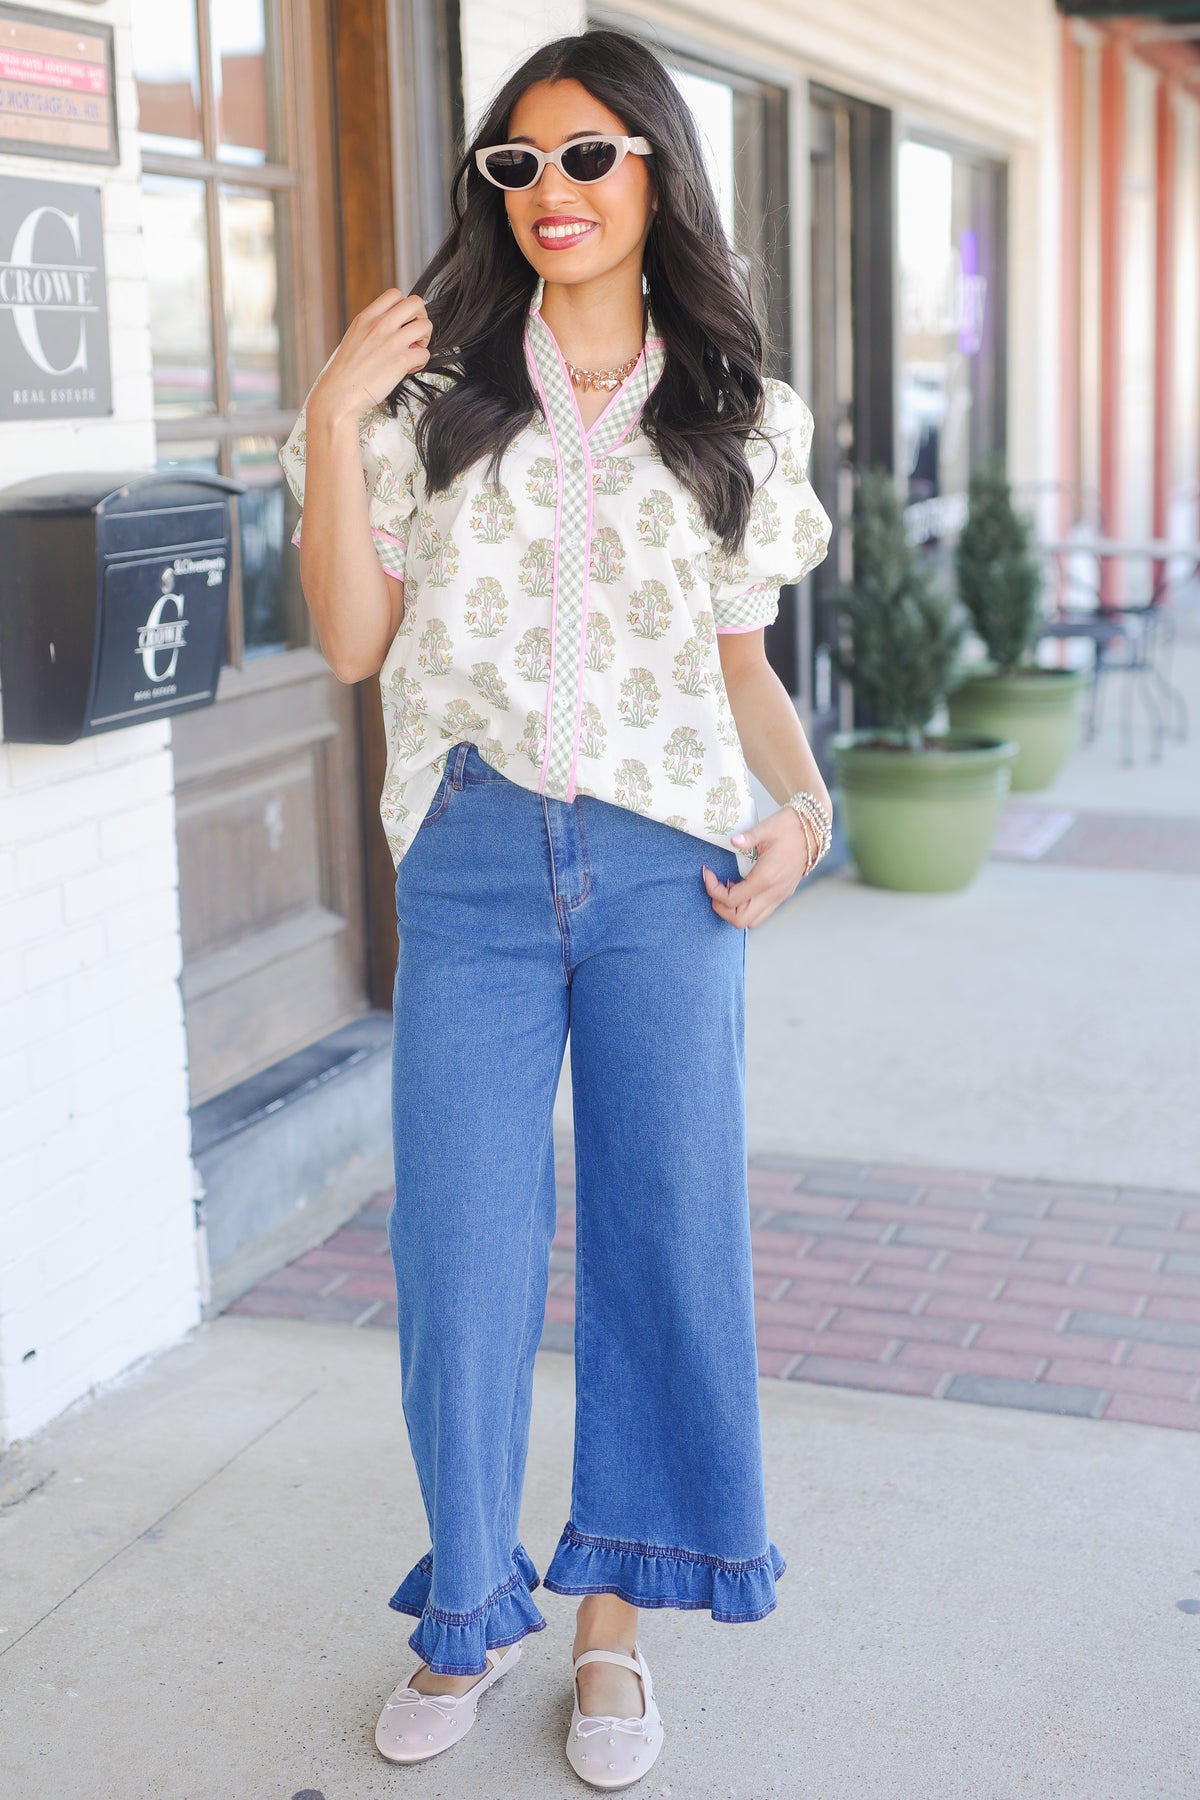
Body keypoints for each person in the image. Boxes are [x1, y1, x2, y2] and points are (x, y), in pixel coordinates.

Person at [279, 24, 832, 1789]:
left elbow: (742, 669)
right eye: (517, 166)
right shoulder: (441, 401)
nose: (553, 193)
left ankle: (615, 1624)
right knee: (454, 1253)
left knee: (670, 1241)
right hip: (476, 861)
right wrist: (327, 415)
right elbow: (359, 646)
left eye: (588, 156)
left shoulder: (738, 409)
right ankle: (465, 1607)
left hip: (670, 868)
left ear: (655, 168)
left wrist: (804, 807)